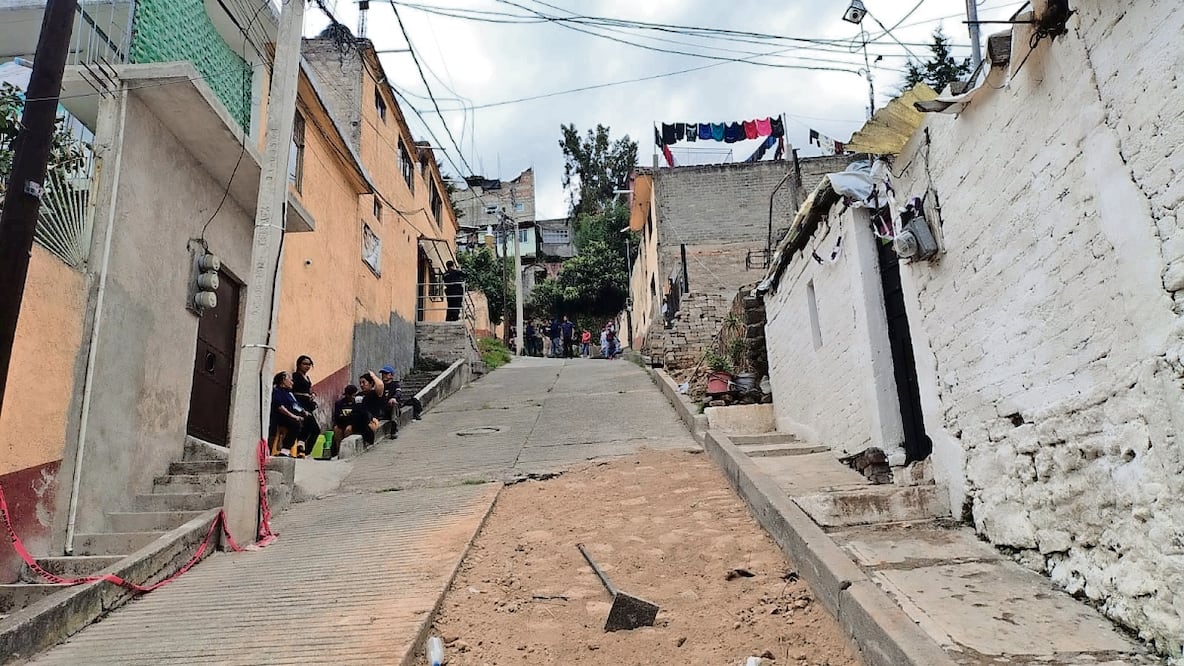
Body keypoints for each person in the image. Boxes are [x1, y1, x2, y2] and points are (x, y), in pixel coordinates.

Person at [269, 371, 306, 457]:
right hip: (281, 416)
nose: (292, 382)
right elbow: (280, 408)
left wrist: (303, 412)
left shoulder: (289, 393)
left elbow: (296, 405)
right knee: (295, 424)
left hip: (292, 414)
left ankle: (300, 448)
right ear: (283, 381)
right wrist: (294, 416)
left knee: (310, 423)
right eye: (289, 379)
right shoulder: (277, 391)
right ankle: (285, 450)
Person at [291, 355, 321, 455]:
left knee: (311, 428)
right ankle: (304, 450)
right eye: (304, 364)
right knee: (314, 428)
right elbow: (293, 392)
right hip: (300, 404)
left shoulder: (307, 377)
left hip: (308, 404)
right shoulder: (295, 376)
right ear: (299, 365)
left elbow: (308, 390)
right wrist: (305, 395)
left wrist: (311, 394)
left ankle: (303, 449)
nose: (307, 366)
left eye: (309, 364)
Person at [353, 371, 387, 446]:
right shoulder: (358, 395)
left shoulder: (375, 394)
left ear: (371, 383)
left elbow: (380, 385)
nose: (361, 385)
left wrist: (373, 376)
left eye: (364, 382)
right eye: (360, 383)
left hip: (371, 420)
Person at [331, 384, 359, 458]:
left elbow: (356, 416)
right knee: (337, 430)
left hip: (351, 424)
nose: (353, 397)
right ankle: (338, 451)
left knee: (348, 430)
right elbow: (337, 416)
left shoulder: (356, 403)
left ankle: (347, 451)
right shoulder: (339, 403)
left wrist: (347, 418)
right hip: (341, 423)